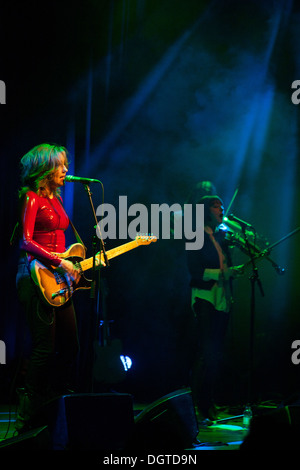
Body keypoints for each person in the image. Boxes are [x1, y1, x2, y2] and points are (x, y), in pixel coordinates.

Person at [14, 143, 83, 433]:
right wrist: (60, 262)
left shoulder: (56, 200)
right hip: (33, 276)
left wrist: (72, 266)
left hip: (56, 278)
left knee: (71, 345)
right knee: (44, 346)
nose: (66, 170)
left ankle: (55, 405)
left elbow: (60, 242)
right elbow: (26, 241)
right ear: (45, 168)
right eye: (60, 164)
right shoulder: (30, 198)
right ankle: (28, 415)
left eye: (66, 164)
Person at [186, 195, 243, 425]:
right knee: (206, 354)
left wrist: (231, 270)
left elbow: (224, 265)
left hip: (221, 299)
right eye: (215, 205)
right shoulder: (194, 234)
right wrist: (223, 274)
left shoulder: (220, 236)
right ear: (205, 211)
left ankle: (209, 402)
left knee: (216, 354)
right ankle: (199, 405)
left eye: (221, 204)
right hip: (205, 298)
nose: (220, 208)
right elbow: (194, 271)